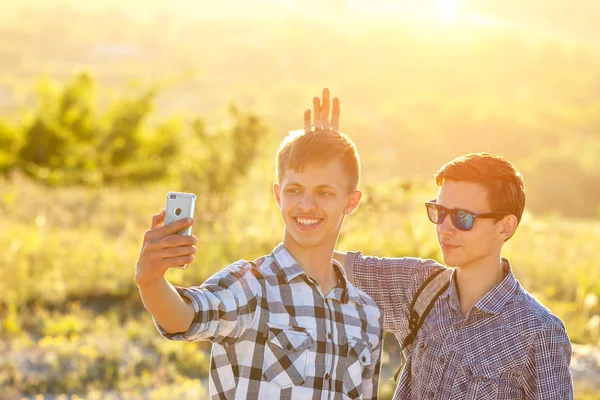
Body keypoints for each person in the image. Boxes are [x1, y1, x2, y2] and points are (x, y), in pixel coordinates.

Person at [305, 90, 574, 399]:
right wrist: (321, 177)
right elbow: (317, 263)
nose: (445, 228)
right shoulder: (418, 287)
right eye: (440, 212)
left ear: (505, 227)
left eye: (463, 217)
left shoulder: (539, 333)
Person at [135, 109, 383, 399]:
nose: (306, 205)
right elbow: (184, 318)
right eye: (294, 190)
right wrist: (150, 281)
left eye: (324, 192)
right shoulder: (251, 286)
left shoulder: (366, 314)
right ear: (278, 195)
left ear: (350, 202)